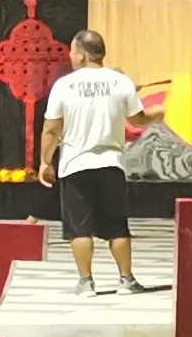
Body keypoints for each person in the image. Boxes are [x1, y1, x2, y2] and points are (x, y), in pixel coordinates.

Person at [39, 25, 151, 295]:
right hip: (112, 163)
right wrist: (155, 116)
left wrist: (45, 161)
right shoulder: (121, 82)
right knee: (117, 225)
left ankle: (86, 282)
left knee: (79, 228)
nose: (70, 56)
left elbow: (51, 128)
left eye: (73, 51)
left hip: (75, 165)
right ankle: (126, 279)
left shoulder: (64, 85)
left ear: (83, 54)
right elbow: (138, 119)